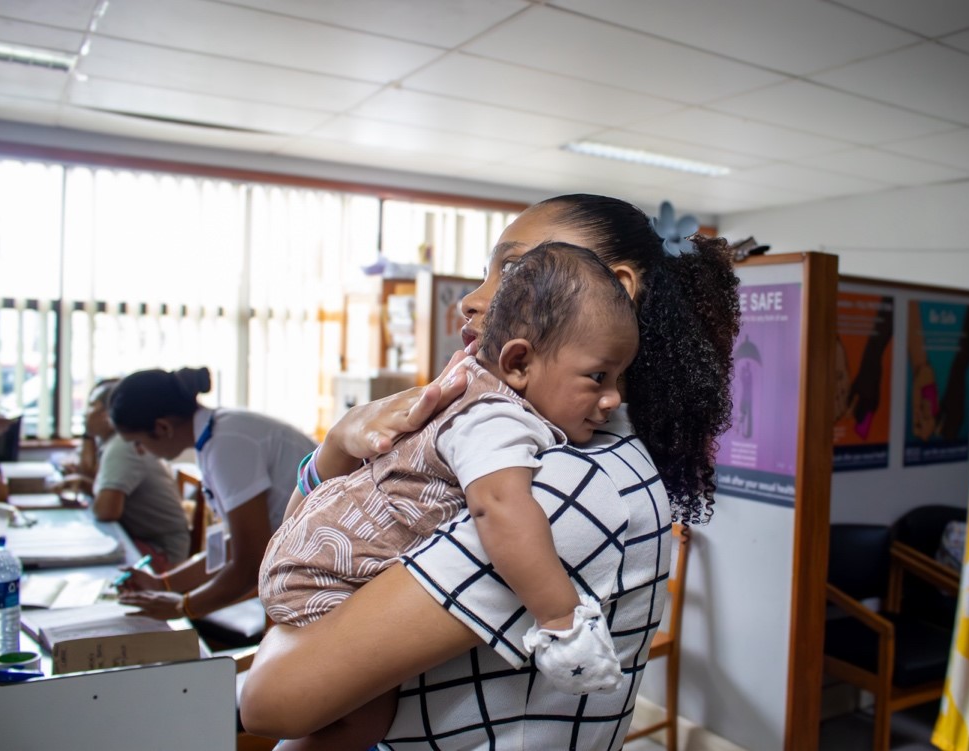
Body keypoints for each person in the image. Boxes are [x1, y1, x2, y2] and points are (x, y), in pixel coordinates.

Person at [241, 194, 740, 749]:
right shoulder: (523, 435)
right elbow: (305, 540)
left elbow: (270, 701)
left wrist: (293, 610)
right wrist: (339, 444)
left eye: (516, 269)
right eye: (488, 272)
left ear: (617, 289)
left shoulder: (564, 486)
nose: (471, 301)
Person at [261, 243, 638, 749]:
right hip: (327, 570)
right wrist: (561, 621)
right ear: (519, 362)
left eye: (618, 378)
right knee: (359, 719)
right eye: (597, 378)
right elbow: (500, 508)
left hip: (318, 547)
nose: (613, 399)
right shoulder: (496, 420)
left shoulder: (479, 392)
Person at [108, 367, 316, 622]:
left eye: (138, 442)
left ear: (162, 428)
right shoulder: (217, 433)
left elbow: (250, 563)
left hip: (321, 571)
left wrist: (183, 607)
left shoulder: (226, 444)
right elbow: (236, 546)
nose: (140, 452)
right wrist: (162, 584)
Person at [73, 378, 190, 570]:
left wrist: (87, 433)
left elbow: (106, 511)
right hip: (146, 539)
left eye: (92, 406)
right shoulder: (111, 442)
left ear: (107, 414)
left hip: (162, 551)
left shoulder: (123, 446)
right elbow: (94, 479)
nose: (86, 413)